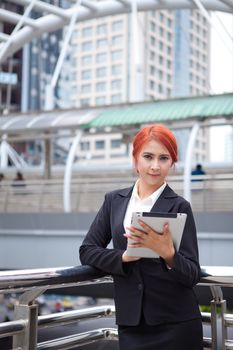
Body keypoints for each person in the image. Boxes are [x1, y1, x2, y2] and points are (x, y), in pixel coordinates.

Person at [79, 124, 203, 350]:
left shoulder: (179, 206)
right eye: (148, 156)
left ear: (172, 163)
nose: (155, 166)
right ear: (135, 158)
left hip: (177, 325)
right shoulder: (114, 200)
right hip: (132, 325)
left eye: (163, 158)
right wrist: (123, 258)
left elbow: (192, 273)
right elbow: (87, 250)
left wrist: (169, 255)